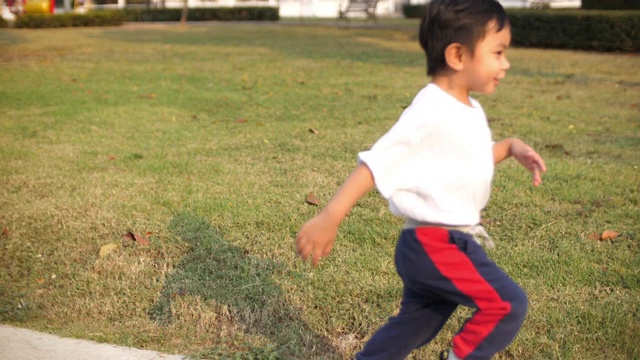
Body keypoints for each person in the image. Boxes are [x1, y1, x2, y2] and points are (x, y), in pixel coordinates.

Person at [295, 0, 547, 359]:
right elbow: (375, 164)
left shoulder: (468, 108)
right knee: (507, 304)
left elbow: (461, 160)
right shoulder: (430, 109)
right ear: (458, 55)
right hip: (434, 245)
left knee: (417, 325)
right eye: (498, 52)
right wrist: (330, 216)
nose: (505, 64)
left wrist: (508, 148)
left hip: (444, 243)